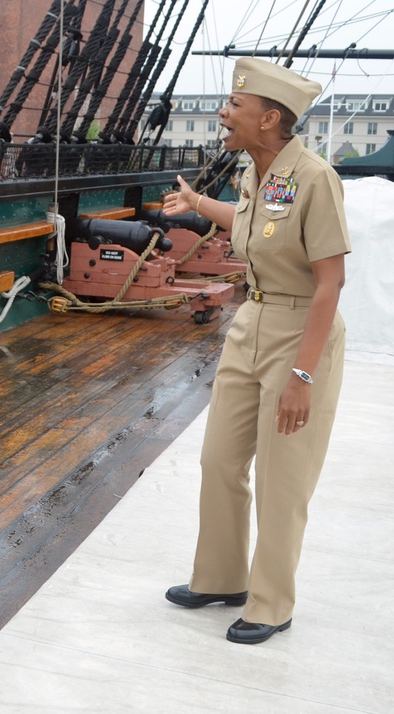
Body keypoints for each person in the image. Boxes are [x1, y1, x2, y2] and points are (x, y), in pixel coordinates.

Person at [162, 58, 349, 645]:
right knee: (219, 459)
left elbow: (330, 282)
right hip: (251, 321)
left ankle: (270, 603)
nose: (223, 113)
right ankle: (221, 577)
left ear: (269, 118)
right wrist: (196, 203)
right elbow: (247, 224)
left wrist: (303, 374)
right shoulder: (256, 172)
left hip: (301, 328)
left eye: (234, 107)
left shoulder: (315, 177)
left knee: (281, 478)